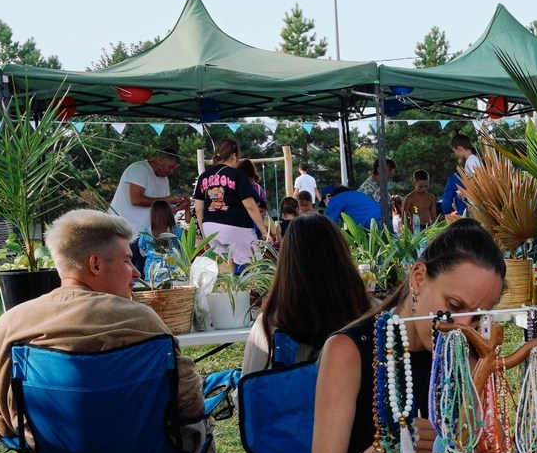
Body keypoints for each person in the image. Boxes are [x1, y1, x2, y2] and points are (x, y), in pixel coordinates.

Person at [307, 218, 507, 453]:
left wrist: (481, 440)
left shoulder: (469, 353)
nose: (462, 327)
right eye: (453, 306)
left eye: (477, 317)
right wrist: (386, 452)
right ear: (418, 278)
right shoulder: (349, 352)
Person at [0, 210, 204, 440]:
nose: (136, 271)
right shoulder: (141, 320)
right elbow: (191, 404)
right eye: (127, 260)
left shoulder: (11, 324)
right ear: (95, 264)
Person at [245, 211, 371, 375]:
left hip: (293, 400)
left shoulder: (272, 321)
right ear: (342, 256)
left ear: (287, 264)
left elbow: (247, 389)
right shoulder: (368, 313)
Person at [189, 135, 275, 268]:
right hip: (235, 224)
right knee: (254, 266)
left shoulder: (203, 177)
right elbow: (250, 206)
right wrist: (264, 231)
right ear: (234, 156)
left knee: (224, 269)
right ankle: (252, 288)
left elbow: (199, 209)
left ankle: (225, 289)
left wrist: (205, 236)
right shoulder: (238, 175)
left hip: (210, 227)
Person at [108, 150, 177, 236]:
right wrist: (167, 200)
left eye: (174, 169)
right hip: (124, 230)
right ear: (160, 160)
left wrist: (177, 207)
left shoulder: (164, 180)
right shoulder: (139, 169)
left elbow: (161, 208)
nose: (171, 172)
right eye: (170, 167)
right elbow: (136, 200)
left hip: (146, 232)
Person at [437, 133, 479, 217]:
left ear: (459, 148)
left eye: (454, 151)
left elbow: (478, 185)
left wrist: (467, 193)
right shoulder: (471, 160)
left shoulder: (472, 161)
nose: (455, 154)